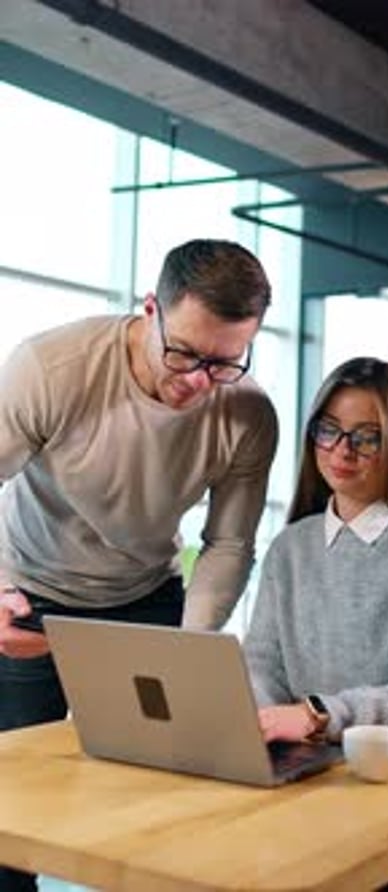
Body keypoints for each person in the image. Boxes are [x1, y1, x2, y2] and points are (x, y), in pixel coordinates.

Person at [0, 238, 277, 890]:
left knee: (158, 801)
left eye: (223, 363)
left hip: (147, 598)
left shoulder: (246, 412)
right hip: (32, 591)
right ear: (149, 308)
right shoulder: (53, 366)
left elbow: (229, 543)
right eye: (182, 351)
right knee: (14, 809)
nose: (195, 380)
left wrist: (190, 649)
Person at [244, 356, 388, 748]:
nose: (341, 451)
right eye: (329, 430)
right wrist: (259, 725)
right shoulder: (289, 548)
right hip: (321, 769)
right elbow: (262, 672)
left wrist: (316, 716)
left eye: (366, 438)